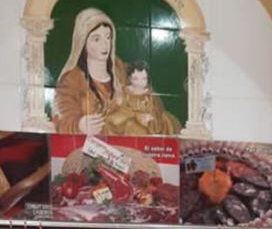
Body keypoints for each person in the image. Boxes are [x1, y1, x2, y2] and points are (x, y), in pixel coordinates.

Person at [52, 8, 126, 136]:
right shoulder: (71, 79)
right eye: (96, 39)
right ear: (83, 42)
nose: (105, 44)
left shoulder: (121, 70)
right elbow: (61, 116)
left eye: (108, 37)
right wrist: (79, 125)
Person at [104, 61, 180, 136]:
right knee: (131, 126)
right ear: (130, 78)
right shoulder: (124, 93)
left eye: (143, 79)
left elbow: (157, 111)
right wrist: (135, 115)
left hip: (146, 125)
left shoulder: (151, 95)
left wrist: (149, 118)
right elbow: (114, 112)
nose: (140, 83)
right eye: (136, 79)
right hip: (126, 124)